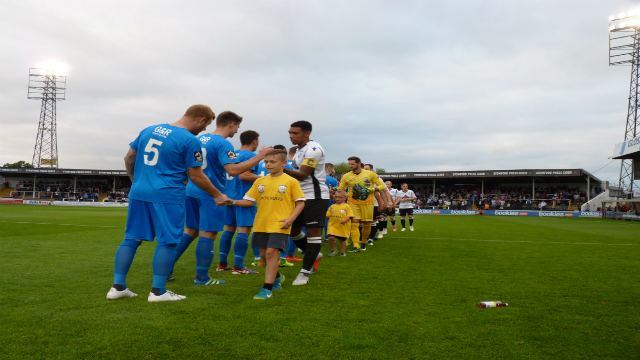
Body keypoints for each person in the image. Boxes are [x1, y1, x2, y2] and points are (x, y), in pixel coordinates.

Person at [106, 104, 232, 302]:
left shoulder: (149, 130)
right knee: (168, 241)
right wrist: (217, 194)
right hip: (167, 194)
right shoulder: (189, 139)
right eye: (206, 125)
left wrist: (135, 181)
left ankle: (118, 287)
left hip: (139, 191)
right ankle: (158, 292)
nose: (204, 130)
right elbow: (196, 176)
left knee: (131, 238)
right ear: (201, 119)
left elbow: (129, 157)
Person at [173, 111, 272, 285]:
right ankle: (202, 277)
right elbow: (233, 171)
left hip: (192, 190)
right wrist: (260, 156)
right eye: (237, 127)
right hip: (210, 192)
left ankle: (166, 268)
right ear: (231, 124)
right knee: (208, 233)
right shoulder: (223, 143)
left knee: (191, 231)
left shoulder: (201, 138)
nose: (236, 132)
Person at [232, 149, 306, 299]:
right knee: (264, 255)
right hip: (261, 224)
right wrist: (231, 201)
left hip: (280, 224)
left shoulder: (291, 181)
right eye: (266, 162)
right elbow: (248, 201)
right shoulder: (260, 181)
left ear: (284, 163)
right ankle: (277, 277)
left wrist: (291, 218)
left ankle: (267, 289)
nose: (268, 164)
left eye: (273, 162)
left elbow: (300, 203)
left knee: (272, 253)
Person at [283, 120, 330, 286]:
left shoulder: (313, 149)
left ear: (307, 133)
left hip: (315, 196)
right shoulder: (298, 150)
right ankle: (314, 255)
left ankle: (304, 273)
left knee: (313, 235)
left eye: (295, 133)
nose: (291, 136)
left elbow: (303, 175)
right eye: (290, 133)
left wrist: (279, 168)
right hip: (300, 196)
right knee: (292, 230)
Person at [220, 130, 262, 275]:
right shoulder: (251, 155)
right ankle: (238, 267)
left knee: (228, 230)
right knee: (243, 231)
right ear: (255, 141)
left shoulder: (233, 154)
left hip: (229, 196)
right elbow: (244, 175)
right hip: (244, 198)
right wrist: (264, 180)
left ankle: (222, 264)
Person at [339, 157, 387, 253]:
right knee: (354, 222)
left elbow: (382, 186)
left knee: (367, 224)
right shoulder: (346, 176)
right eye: (349, 164)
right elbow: (341, 189)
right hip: (352, 202)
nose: (350, 166)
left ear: (359, 163)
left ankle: (363, 242)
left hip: (367, 203)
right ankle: (356, 246)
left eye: (352, 164)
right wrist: (335, 192)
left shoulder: (370, 174)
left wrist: (372, 189)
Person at [326, 190, 353, 257]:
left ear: (345, 198)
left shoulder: (347, 206)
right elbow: (328, 214)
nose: (337, 199)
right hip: (332, 225)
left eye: (340, 197)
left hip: (342, 225)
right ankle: (334, 249)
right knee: (331, 238)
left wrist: (345, 220)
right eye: (336, 197)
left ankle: (342, 252)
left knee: (342, 239)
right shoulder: (332, 206)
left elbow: (350, 215)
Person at [323, 163, 340, 241]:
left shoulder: (318, 177)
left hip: (317, 200)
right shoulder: (333, 180)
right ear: (332, 170)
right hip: (329, 200)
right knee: (328, 219)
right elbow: (335, 191)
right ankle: (327, 236)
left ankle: (316, 238)